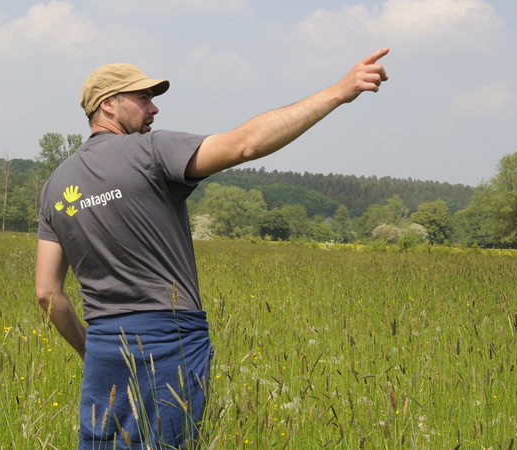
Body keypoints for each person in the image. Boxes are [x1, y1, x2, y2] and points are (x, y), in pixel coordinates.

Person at [35, 48, 390, 449]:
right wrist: (338, 92)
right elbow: (245, 145)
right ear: (108, 105)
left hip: (102, 342)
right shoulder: (151, 152)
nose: (153, 110)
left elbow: (47, 292)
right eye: (143, 99)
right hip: (167, 338)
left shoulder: (54, 186)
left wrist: (92, 351)